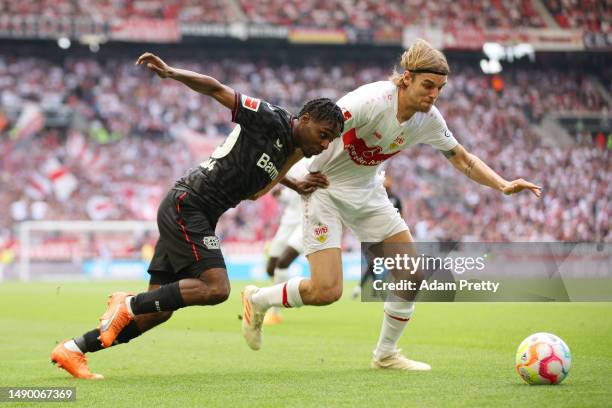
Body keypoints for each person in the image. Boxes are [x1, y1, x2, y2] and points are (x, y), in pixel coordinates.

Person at [241, 39, 542, 370]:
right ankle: (257, 300)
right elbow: (305, 132)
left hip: (368, 191)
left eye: (440, 88)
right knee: (326, 291)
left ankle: (385, 354)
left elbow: (463, 159)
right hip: (323, 187)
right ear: (407, 77)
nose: (434, 95)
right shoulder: (368, 101)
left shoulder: (428, 119)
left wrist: (502, 183)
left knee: (411, 274)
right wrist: (281, 179)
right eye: (428, 85)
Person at [50, 52, 344, 379]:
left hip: (199, 211)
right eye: (323, 134)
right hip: (189, 203)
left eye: (331, 139)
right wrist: (171, 72)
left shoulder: (291, 150)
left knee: (158, 313)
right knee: (216, 289)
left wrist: (296, 183)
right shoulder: (268, 117)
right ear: (304, 119)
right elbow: (217, 89)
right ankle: (127, 303)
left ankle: (74, 349)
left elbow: (264, 178)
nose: (325, 143)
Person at [263, 158, 313, 324]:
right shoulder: (294, 159)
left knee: (283, 262)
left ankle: (275, 312)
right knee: (271, 268)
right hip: (288, 220)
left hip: (307, 219)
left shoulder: (318, 160)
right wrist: (280, 194)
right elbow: (291, 194)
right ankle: (290, 292)